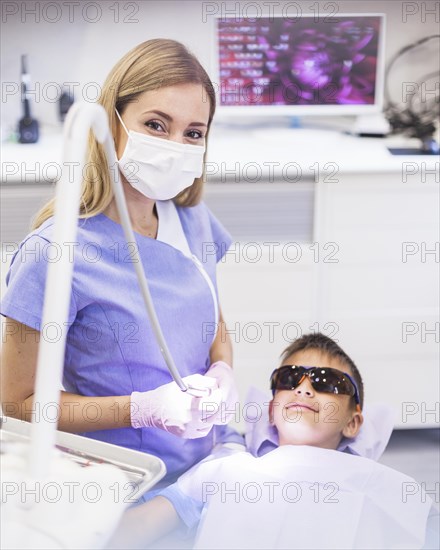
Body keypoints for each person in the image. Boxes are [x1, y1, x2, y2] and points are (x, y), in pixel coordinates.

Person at [0, 39, 243, 489]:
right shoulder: (55, 253)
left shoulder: (194, 220)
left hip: (205, 458)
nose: (175, 145)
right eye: (155, 124)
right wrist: (141, 409)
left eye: (193, 133)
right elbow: (18, 403)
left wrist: (223, 372)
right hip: (118, 478)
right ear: (111, 125)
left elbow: (214, 325)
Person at [107, 333, 436, 549]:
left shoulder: (384, 488)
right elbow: (136, 530)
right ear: (270, 409)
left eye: (328, 382)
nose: (303, 389)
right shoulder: (224, 470)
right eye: (289, 378)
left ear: (353, 422)